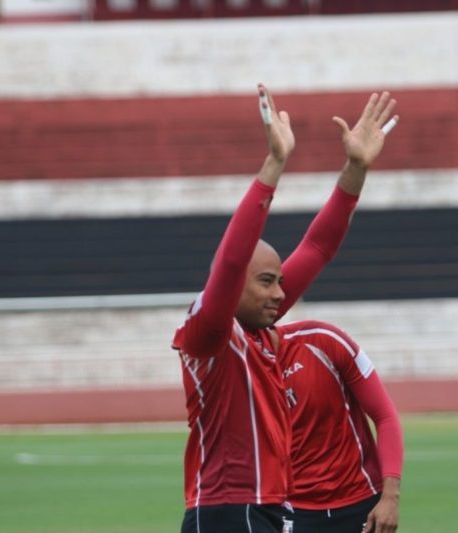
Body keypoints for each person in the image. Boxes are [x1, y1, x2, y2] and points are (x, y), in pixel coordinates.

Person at [172, 84, 398, 532]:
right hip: (228, 511)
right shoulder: (211, 333)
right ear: (234, 285)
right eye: (267, 282)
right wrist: (274, 164)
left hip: (265, 510)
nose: (280, 294)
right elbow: (234, 258)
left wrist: (355, 169)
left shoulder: (257, 329)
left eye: (279, 282)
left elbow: (318, 245)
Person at [279, 320, 403, 533]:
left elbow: (385, 417)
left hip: (361, 502)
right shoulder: (239, 367)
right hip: (293, 510)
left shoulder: (323, 339)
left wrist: (390, 497)